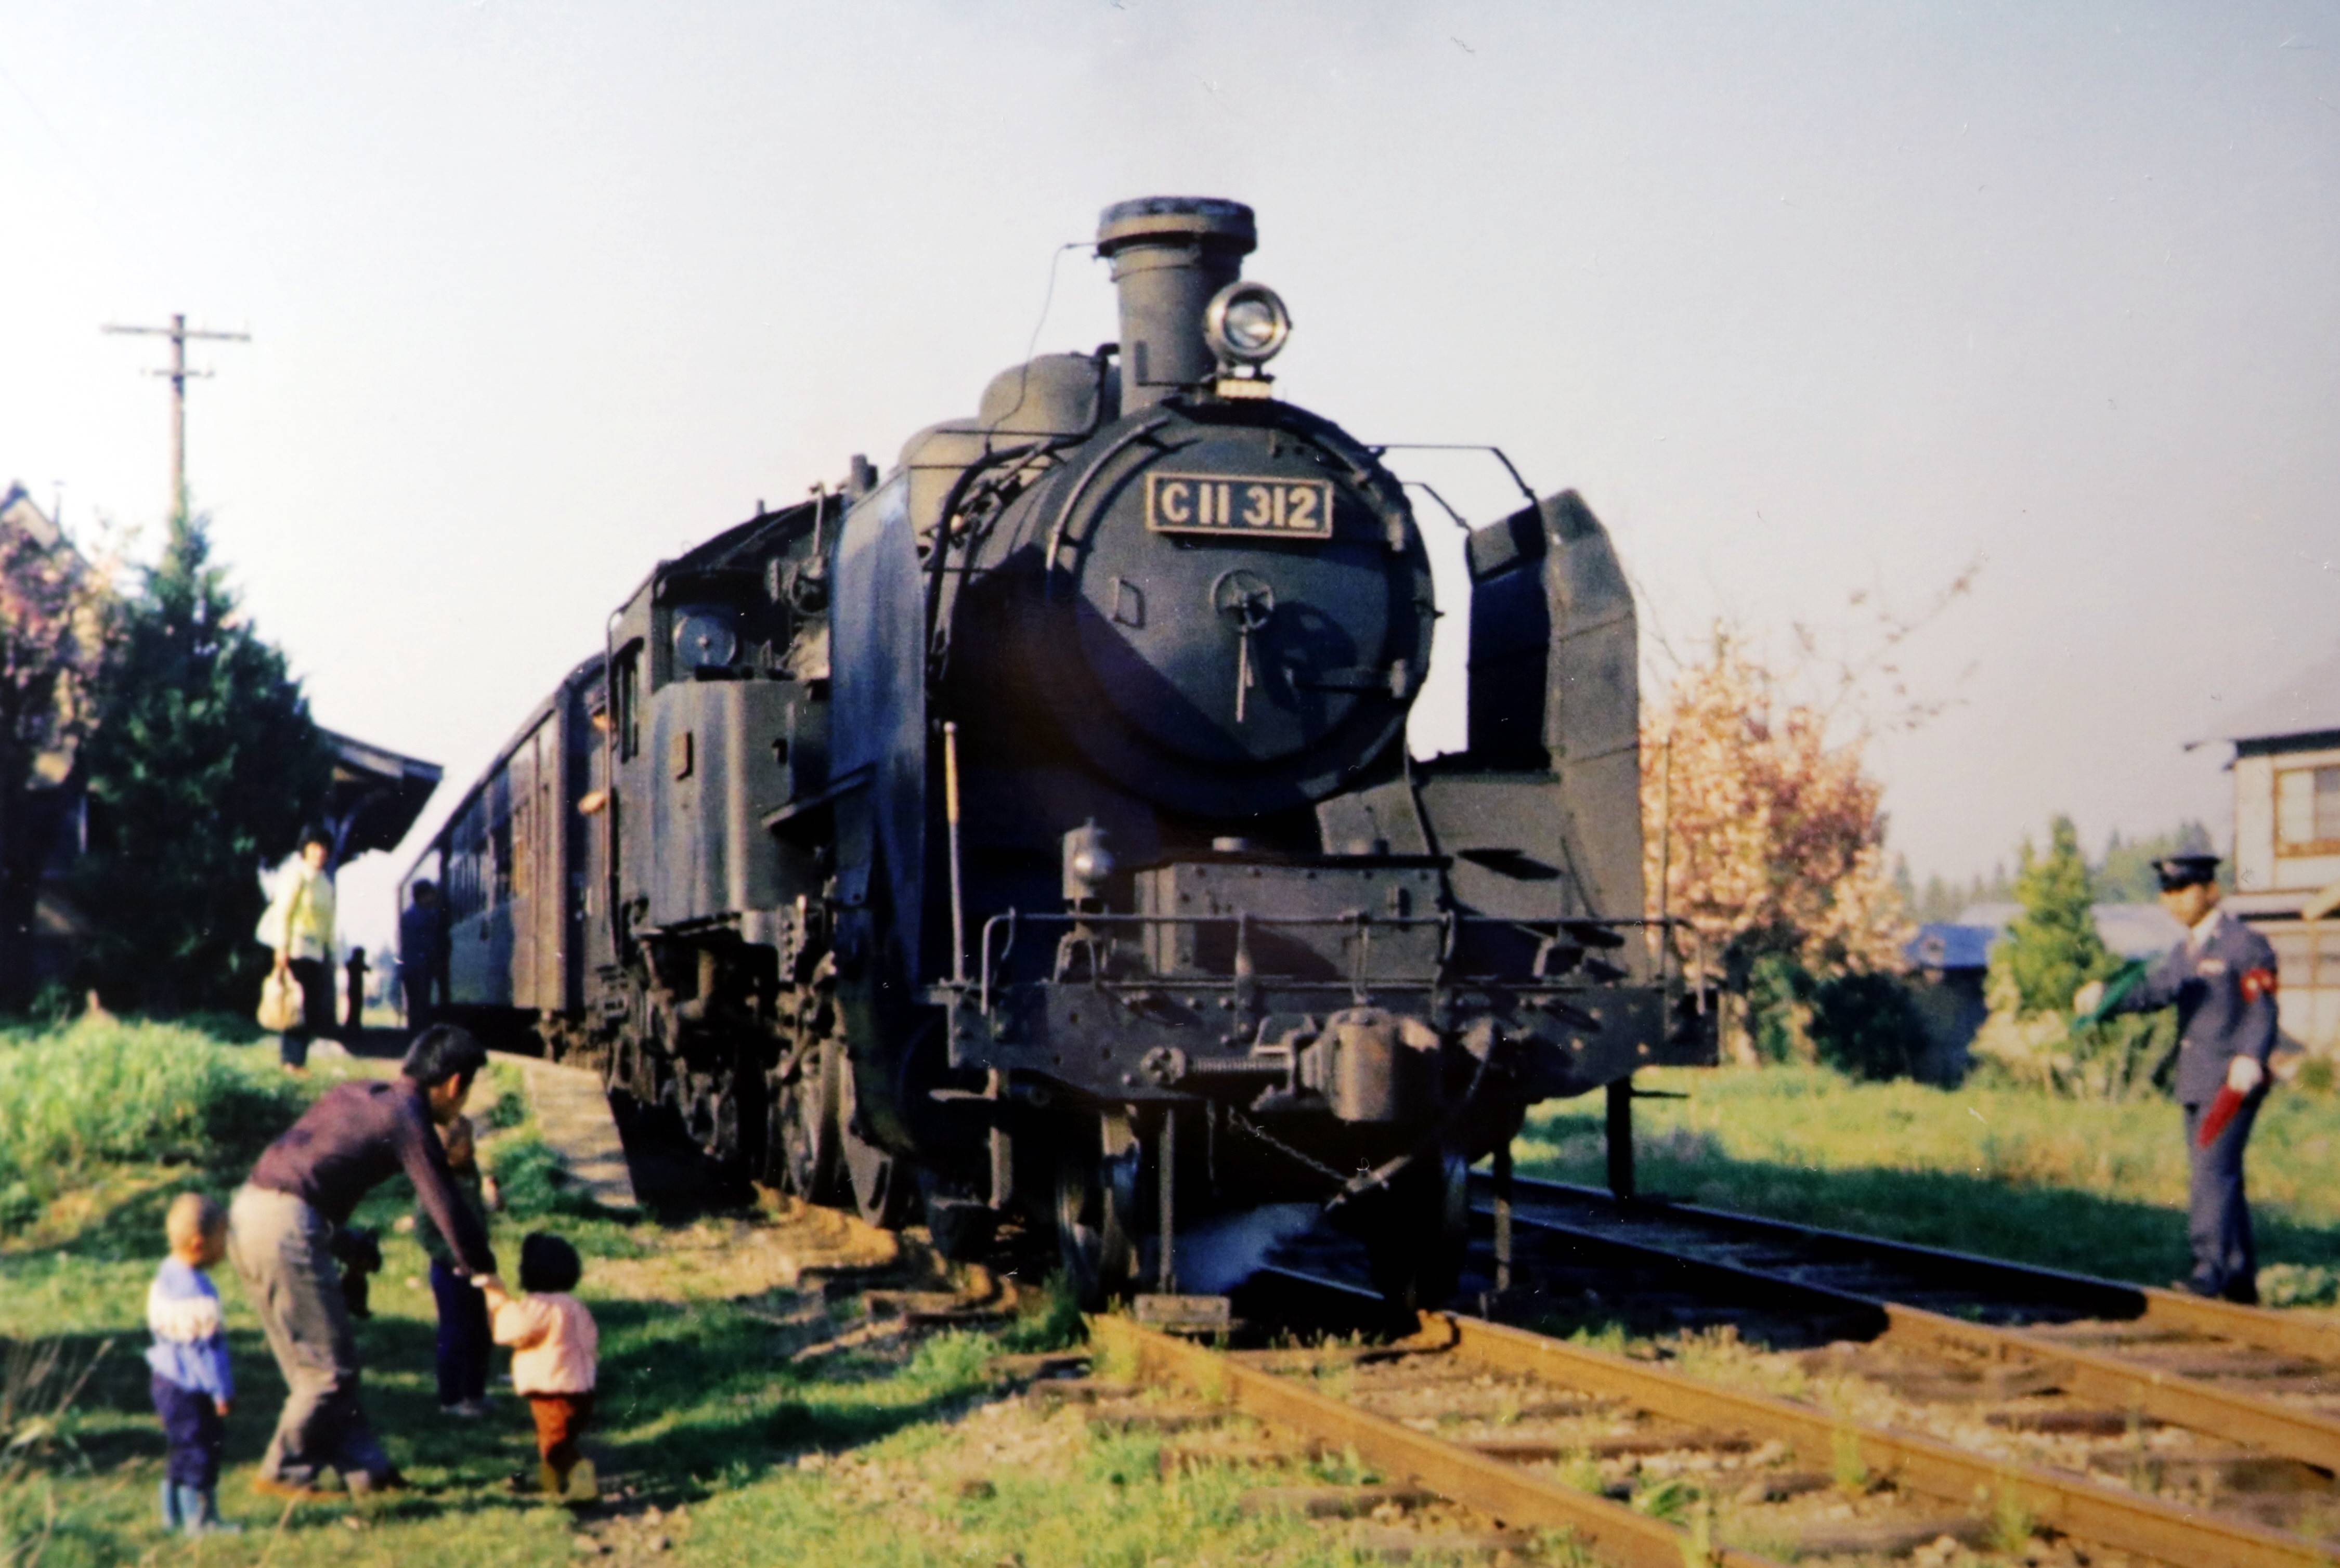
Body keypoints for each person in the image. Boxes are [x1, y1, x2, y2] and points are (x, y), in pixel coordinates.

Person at [226, 1024, 498, 1500]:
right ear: (455, 1084)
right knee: (327, 1372)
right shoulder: (409, 1118)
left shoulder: (359, 1092)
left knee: (323, 1366)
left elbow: (313, 1169)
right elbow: (447, 1206)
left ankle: (368, 1474)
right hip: (287, 1224)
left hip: (249, 1211)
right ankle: (283, 1473)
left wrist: (344, 1242)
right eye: (467, 1090)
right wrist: (486, 1273)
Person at [2074, 853, 2279, 1303]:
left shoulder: (2244, 944)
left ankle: (2209, 1271)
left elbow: (2262, 1007)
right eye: (2167, 891)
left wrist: (2251, 1056)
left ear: (2211, 890)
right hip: (2195, 1080)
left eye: (2184, 889)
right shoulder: (2184, 951)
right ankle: (2240, 1278)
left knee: (2211, 1174)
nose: (2175, 900)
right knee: (2220, 1174)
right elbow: (2156, 991)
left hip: (2232, 1080)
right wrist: (2105, 998)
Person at [147, 1193, 241, 1536]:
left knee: (180, 1446)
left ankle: (171, 1513)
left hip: (164, 1379)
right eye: (223, 1239)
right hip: (192, 1385)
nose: (226, 1248)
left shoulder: (165, 1275)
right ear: (201, 1244)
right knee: (202, 1448)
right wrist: (222, 1392)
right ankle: (201, 1520)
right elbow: (208, 1352)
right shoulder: (199, 1293)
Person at [480, 1233, 599, 1503]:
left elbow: (509, 1331)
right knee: (554, 1437)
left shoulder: (540, 1306)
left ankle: (583, 1481)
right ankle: (551, 1479)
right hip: (581, 1388)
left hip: (553, 1388)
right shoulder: (576, 1306)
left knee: (556, 1444)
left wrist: (497, 1298)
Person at [419, 1113, 498, 1417]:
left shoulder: (470, 1172)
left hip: (477, 1263)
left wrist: (491, 1203)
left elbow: (474, 1208)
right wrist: (451, 1258)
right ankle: (451, 1399)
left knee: (480, 1330)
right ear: (446, 1150)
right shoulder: (435, 1182)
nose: (473, 1150)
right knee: (455, 1332)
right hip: (450, 1270)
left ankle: (475, 1394)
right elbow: (424, 1232)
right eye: (467, 1145)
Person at [257, 829, 337, 1071]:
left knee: (310, 1007)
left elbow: (329, 922)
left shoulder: (325, 883)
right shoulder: (296, 875)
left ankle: (299, 1060)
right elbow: (283, 912)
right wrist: (281, 948)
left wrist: (331, 954)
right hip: (295, 948)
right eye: (315, 847)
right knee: (294, 1004)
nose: (320, 852)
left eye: (323, 848)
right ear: (305, 849)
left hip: (316, 952)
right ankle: (290, 1061)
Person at [398, 881, 448, 1028]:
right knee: (422, 1004)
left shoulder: (408, 915)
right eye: (431, 894)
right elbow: (428, 943)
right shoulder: (425, 916)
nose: (434, 898)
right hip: (420, 966)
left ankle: (414, 1035)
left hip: (409, 966)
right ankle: (420, 1035)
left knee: (415, 1005)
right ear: (422, 896)